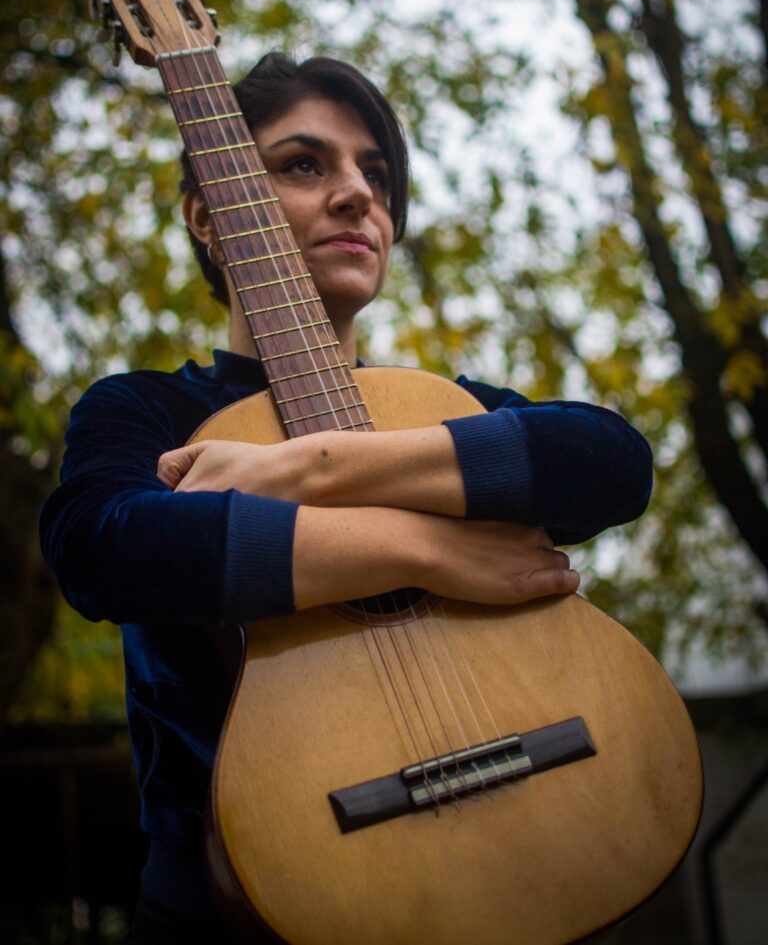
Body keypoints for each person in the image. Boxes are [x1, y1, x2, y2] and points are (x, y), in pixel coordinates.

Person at [40, 52, 653, 944]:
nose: (359, 193)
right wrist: (432, 550)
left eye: (377, 172)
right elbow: (106, 547)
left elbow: (613, 462)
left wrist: (312, 467)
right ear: (213, 214)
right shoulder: (147, 411)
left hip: (542, 817)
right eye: (303, 164)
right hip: (232, 901)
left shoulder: (437, 404)